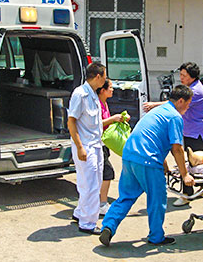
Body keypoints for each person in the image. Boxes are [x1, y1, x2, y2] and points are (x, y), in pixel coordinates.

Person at [99, 85, 195, 247]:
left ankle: (108, 226)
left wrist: (164, 164)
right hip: (148, 160)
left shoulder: (158, 111)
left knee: (126, 196)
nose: (188, 107)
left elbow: (154, 138)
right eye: (188, 103)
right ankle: (156, 237)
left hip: (130, 155)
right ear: (180, 101)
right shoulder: (175, 117)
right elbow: (177, 148)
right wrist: (185, 174)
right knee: (157, 198)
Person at [144, 62, 203, 206]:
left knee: (186, 162)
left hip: (197, 132)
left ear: (192, 77)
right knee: (194, 161)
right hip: (192, 130)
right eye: (180, 74)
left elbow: (176, 103)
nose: (181, 78)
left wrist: (154, 105)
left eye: (184, 75)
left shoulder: (196, 91)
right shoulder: (191, 87)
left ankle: (186, 195)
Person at [67, 62, 107, 235]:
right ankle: (88, 223)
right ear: (98, 77)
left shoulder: (93, 94)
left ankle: (80, 213)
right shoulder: (80, 94)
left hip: (95, 145)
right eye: (104, 76)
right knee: (90, 185)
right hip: (86, 147)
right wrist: (80, 147)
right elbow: (71, 122)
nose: (106, 80)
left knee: (93, 183)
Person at [96, 78, 130, 216]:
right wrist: (113, 119)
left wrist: (120, 119)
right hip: (97, 144)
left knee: (103, 173)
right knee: (107, 173)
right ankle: (102, 204)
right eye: (110, 87)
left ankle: (99, 202)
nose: (113, 89)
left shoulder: (105, 103)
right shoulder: (97, 104)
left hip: (104, 144)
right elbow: (96, 123)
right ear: (103, 90)